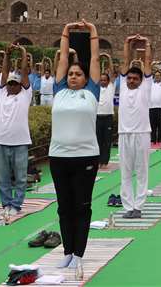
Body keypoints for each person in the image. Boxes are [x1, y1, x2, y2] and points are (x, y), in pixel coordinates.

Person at [49, 20, 102, 279]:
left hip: (85, 158)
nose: (72, 76)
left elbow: (93, 58)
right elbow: (61, 59)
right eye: (70, 74)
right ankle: (67, 252)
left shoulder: (92, 92)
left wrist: (92, 32)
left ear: (86, 79)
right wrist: (65, 32)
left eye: (77, 74)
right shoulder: (58, 91)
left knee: (81, 207)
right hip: (59, 157)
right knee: (63, 207)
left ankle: (79, 253)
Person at [0, 43, 32, 220]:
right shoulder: (2, 93)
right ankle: (6, 204)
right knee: (2, 177)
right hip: (1, 141)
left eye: (15, 84)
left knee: (21, 178)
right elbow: (5, 74)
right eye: (10, 83)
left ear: (20, 85)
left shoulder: (25, 94)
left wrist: (22, 52)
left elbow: (23, 72)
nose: (12, 85)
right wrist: (7, 54)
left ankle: (16, 205)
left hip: (20, 142)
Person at [118, 34, 153, 219]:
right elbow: (125, 61)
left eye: (135, 78)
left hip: (141, 133)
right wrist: (127, 43)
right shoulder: (123, 87)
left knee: (141, 171)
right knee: (125, 172)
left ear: (141, 80)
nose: (131, 81)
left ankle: (138, 206)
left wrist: (146, 44)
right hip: (124, 134)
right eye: (129, 78)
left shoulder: (145, 88)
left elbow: (147, 63)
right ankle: (128, 206)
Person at [96, 62, 115, 169]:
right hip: (97, 117)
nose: (103, 81)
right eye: (101, 80)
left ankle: (104, 161)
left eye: (105, 80)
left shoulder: (111, 87)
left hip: (108, 117)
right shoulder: (96, 89)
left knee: (107, 141)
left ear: (108, 81)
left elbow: (112, 74)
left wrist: (108, 59)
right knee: (98, 140)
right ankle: (98, 160)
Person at [149, 70, 161, 145]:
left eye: (158, 75)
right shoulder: (151, 84)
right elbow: (147, 76)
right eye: (156, 75)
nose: (157, 77)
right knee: (152, 126)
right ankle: (152, 142)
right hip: (151, 108)